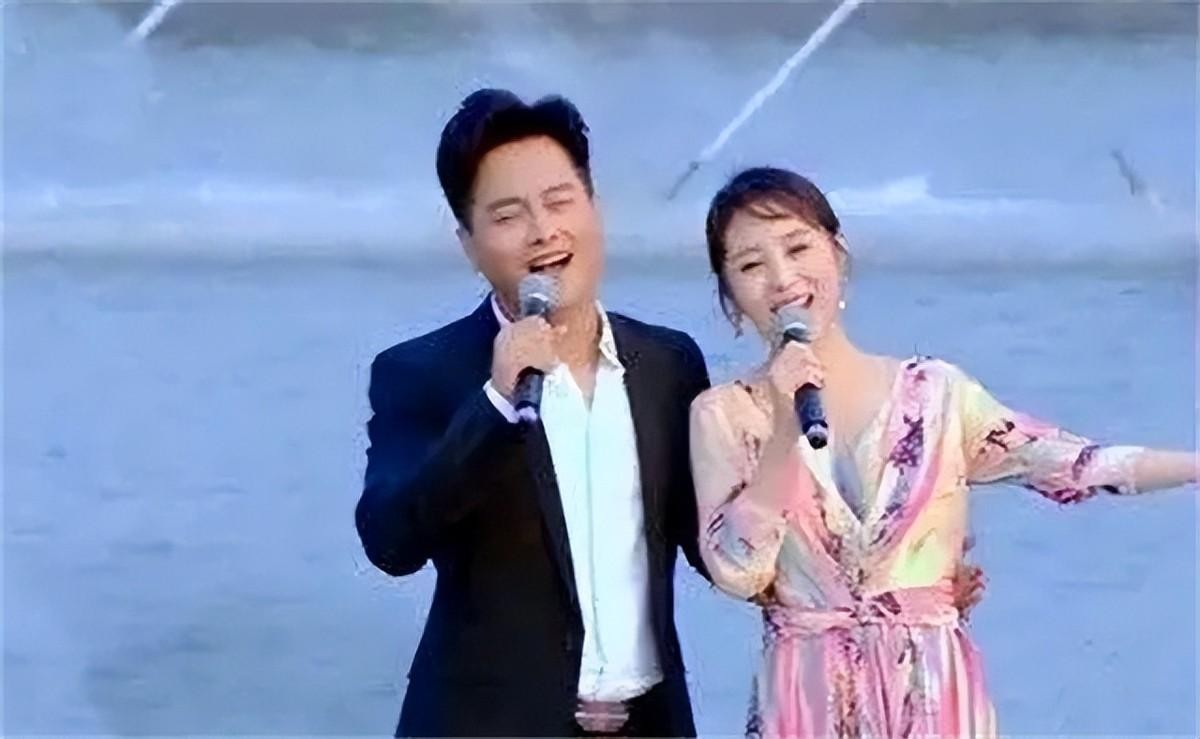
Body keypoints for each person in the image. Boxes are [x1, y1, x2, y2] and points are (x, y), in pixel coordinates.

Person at [687, 166, 1197, 737]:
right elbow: (738, 571)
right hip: (806, 701)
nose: (782, 277)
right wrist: (786, 427)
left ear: (839, 254)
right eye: (751, 265)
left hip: (934, 696)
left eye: (798, 247)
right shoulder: (722, 415)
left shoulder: (935, 395)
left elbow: (1076, 464)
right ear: (730, 299)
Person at [354, 89, 712, 737]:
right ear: (469, 245)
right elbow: (390, 541)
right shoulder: (421, 372)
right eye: (509, 214)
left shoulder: (669, 365)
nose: (544, 231)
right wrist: (494, 402)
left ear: (594, 207)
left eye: (559, 201)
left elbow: (714, 543)